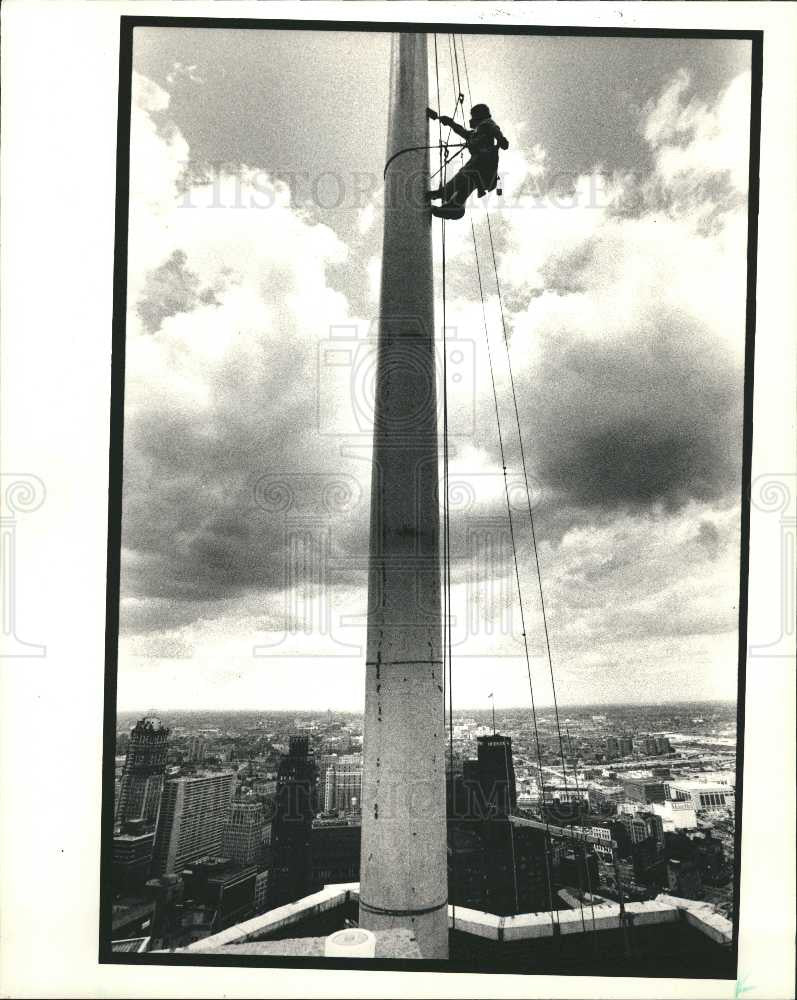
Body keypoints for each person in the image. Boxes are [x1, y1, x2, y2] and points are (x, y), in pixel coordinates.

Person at [426, 104, 509, 218]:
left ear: (479, 116)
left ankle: (445, 195)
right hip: (484, 173)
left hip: (484, 164)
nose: (471, 119)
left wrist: (501, 139)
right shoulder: (474, 134)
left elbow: (494, 129)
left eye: (473, 116)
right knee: (467, 182)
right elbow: (462, 131)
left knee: (465, 175)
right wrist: (450, 122)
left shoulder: (486, 124)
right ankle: (455, 206)